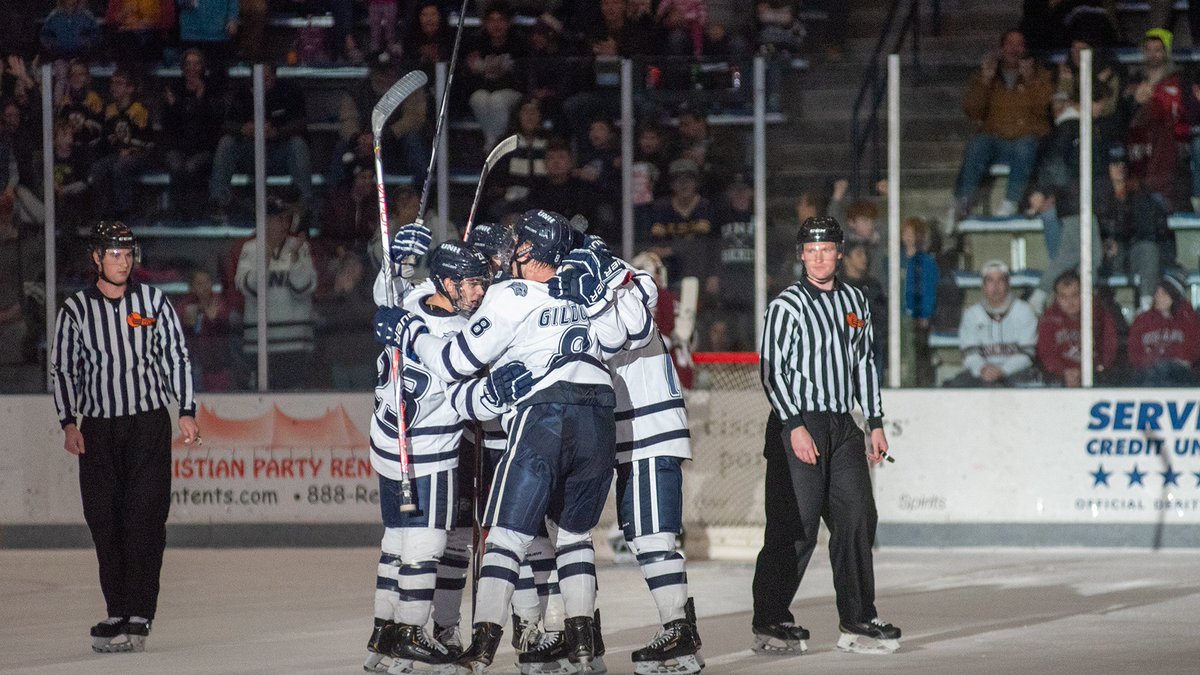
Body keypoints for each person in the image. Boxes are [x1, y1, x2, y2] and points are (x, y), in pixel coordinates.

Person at [375, 210, 646, 672]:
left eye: (513, 245)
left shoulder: (506, 294)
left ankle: (491, 645)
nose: (496, 264)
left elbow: (451, 359)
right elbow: (625, 334)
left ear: (528, 251)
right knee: (565, 536)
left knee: (505, 537)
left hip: (534, 419)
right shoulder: (575, 284)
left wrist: (410, 331)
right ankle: (580, 644)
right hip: (593, 414)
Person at [363, 239, 534, 673]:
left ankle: (384, 634)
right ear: (446, 282)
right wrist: (494, 394)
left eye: (481, 282)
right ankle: (410, 632)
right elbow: (465, 401)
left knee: (395, 542)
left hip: (389, 445)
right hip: (429, 453)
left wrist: (396, 265)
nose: (479, 292)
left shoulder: (411, 304)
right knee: (425, 545)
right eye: (471, 283)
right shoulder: (457, 336)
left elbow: (388, 294)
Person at [50, 221, 199, 653]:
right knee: (104, 520)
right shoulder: (76, 310)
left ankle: (139, 612)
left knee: (145, 519)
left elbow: (176, 356)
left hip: (147, 425)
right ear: (96, 257)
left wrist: (186, 410)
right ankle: (117, 609)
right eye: (114, 254)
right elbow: (63, 368)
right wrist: (68, 421)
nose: (123, 261)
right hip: (98, 429)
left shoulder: (153, 302)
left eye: (128, 254)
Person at [754, 215, 900, 655]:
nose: (819, 258)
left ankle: (858, 617)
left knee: (857, 516)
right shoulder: (787, 305)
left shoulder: (855, 301)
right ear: (802, 255)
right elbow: (772, 371)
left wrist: (874, 421)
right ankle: (770, 618)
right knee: (795, 525)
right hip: (797, 423)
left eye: (827, 250)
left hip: (842, 424)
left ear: (839, 253)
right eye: (811, 251)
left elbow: (864, 364)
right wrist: (794, 425)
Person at [954, 29, 1053, 219]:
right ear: (1001, 48)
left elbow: (1045, 109)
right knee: (977, 145)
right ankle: (963, 201)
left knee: (1025, 146)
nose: (1014, 49)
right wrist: (985, 81)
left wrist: (1030, 80)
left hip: (1026, 140)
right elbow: (972, 111)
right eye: (1010, 44)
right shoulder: (987, 76)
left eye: (1019, 45)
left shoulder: (1040, 75)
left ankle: (1010, 201)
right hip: (995, 140)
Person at [233, 191, 317, 389]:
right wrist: (265, 260)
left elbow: (303, 287)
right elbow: (248, 288)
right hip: (260, 344)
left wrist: (295, 259)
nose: (284, 225)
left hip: (296, 342)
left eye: (286, 219)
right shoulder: (249, 249)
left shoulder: (300, 247)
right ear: (264, 222)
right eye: (278, 219)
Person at [946, 260, 1040, 387]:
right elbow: (969, 353)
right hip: (983, 371)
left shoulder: (1024, 311)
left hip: (1017, 371)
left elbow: (1028, 353)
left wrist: (1003, 370)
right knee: (957, 385)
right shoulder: (971, 314)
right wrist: (983, 368)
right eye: (990, 281)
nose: (995, 286)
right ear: (983, 286)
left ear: (1008, 284)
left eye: (1000, 280)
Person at [1036, 270, 1118, 387]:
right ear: (1056, 297)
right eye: (1063, 297)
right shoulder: (1049, 319)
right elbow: (1046, 352)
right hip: (1060, 375)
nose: (1070, 302)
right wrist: (1063, 371)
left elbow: (1109, 349)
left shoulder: (1100, 316)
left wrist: (1090, 370)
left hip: (1094, 373)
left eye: (1075, 295)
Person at [1127, 273, 1200, 386]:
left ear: (1174, 297)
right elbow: (1134, 350)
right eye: (1157, 293)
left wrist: (1178, 359)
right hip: (1149, 374)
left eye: (1164, 294)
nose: (1158, 297)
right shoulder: (1143, 320)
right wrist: (1149, 360)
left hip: (1179, 375)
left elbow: (1193, 348)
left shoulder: (1187, 320)